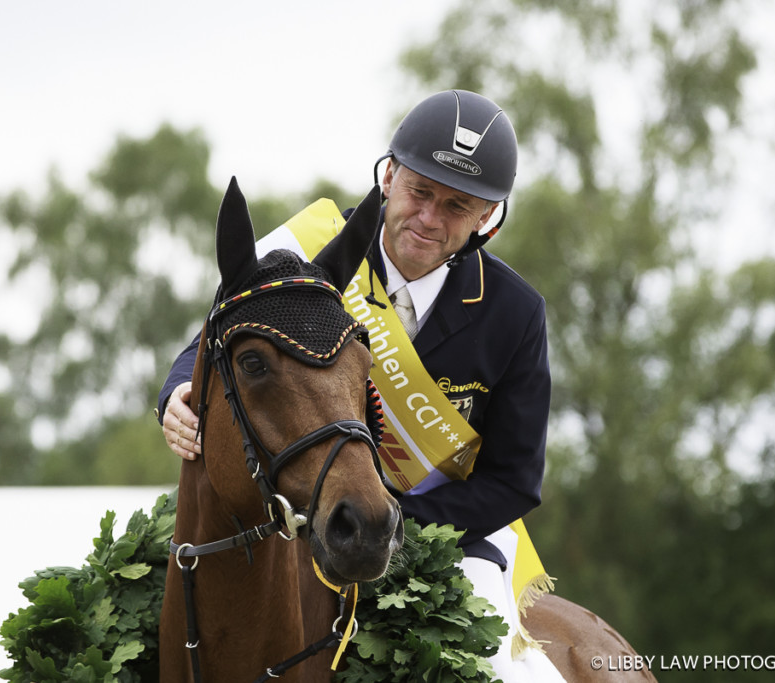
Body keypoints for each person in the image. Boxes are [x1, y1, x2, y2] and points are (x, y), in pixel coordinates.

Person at [157, 90, 562, 681]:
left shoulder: (516, 313)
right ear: (389, 177)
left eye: (456, 206)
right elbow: (218, 337)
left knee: (502, 668)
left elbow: (514, 480)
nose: (428, 218)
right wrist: (175, 394)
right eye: (420, 192)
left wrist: (395, 520)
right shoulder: (310, 243)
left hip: (448, 534)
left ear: (486, 220)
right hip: (297, 506)